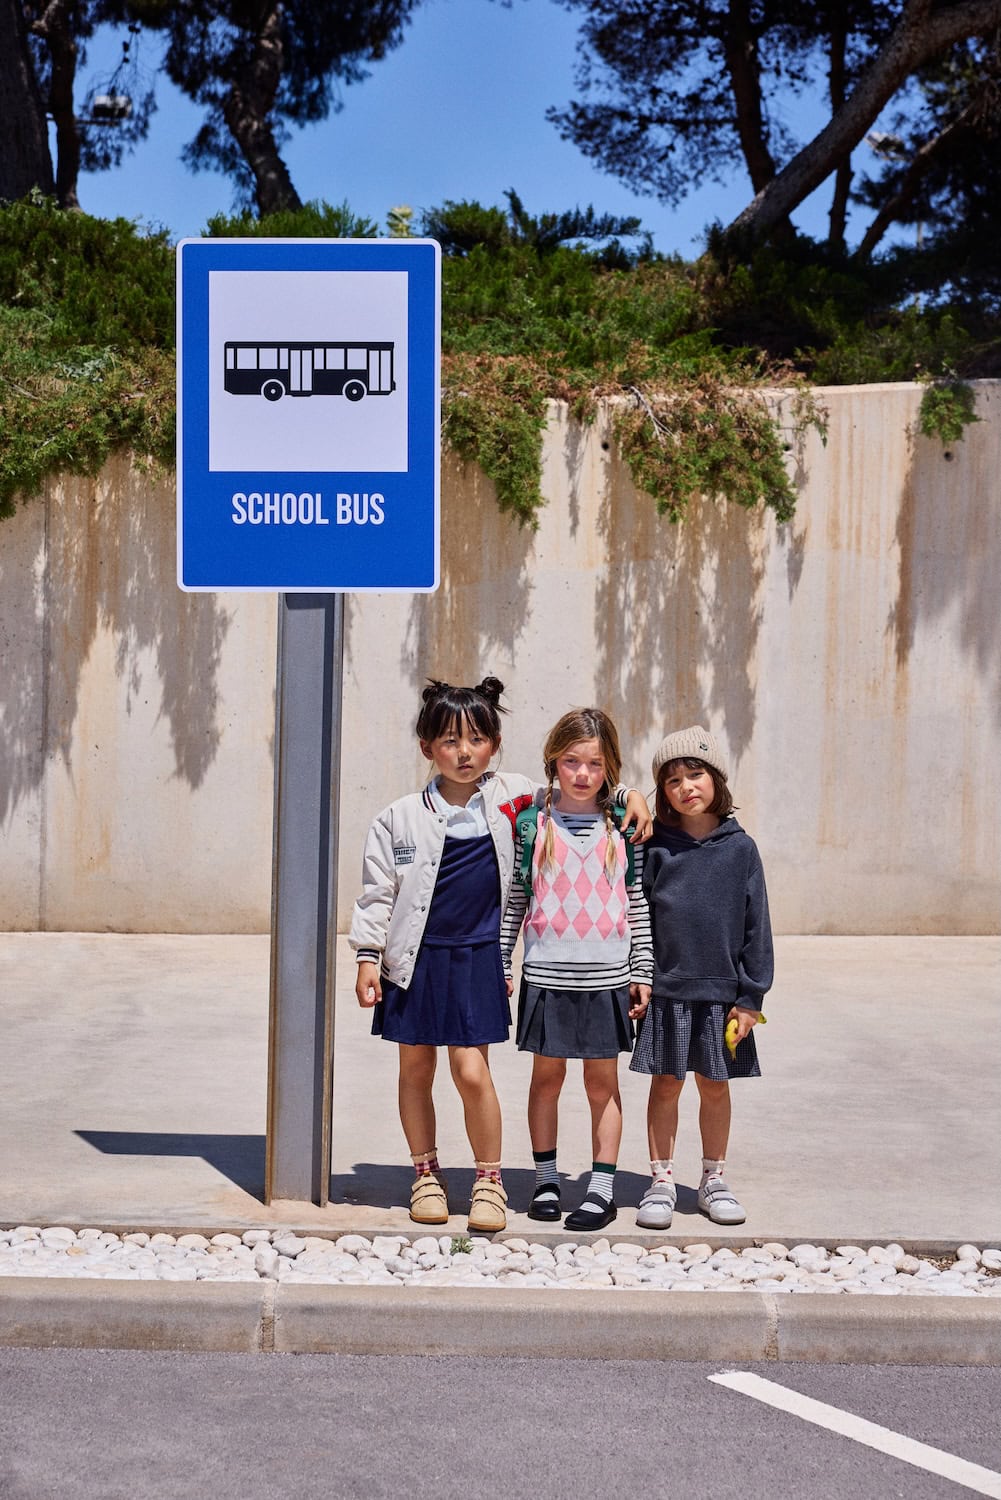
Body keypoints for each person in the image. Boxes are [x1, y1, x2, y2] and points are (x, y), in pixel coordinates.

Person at [351, 678, 651, 1235]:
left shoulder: (516, 797)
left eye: (476, 739)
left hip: (477, 957)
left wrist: (629, 793)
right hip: (413, 960)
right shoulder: (397, 818)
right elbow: (378, 894)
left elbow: (579, 784)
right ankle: (426, 1174)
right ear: (427, 747)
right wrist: (368, 956)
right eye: (449, 741)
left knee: (470, 1069)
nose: (464, 752)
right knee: (415, 1068)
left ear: (495, 743)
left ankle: (489, 1180)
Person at [500, 708, 653, 1232]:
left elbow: (637, 903)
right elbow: (516, 899)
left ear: (611, 767)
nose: (583, 774)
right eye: (571, 761)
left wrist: (642, 970)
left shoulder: (624, 826)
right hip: (546, 977)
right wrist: (502, 961)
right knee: (546, 1080)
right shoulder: (532, 823)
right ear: (553, 761)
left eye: (595, 764)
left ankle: (601, 1190)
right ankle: (546, 1181)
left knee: (601, 1085)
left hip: (608, 979)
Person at [631, 725, 773, 1229]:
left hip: (722, 996)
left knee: (715, 1085)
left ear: (716, 778)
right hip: (668, 990)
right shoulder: (654, 847)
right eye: (672, 781)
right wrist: (639, 976)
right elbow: (638, 916)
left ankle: (713, 1178)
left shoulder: (741, 849)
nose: (686, 787)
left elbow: (757, 926)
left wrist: (751, 997)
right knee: (666, 1085)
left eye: (696, 774)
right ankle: (661, 1181)